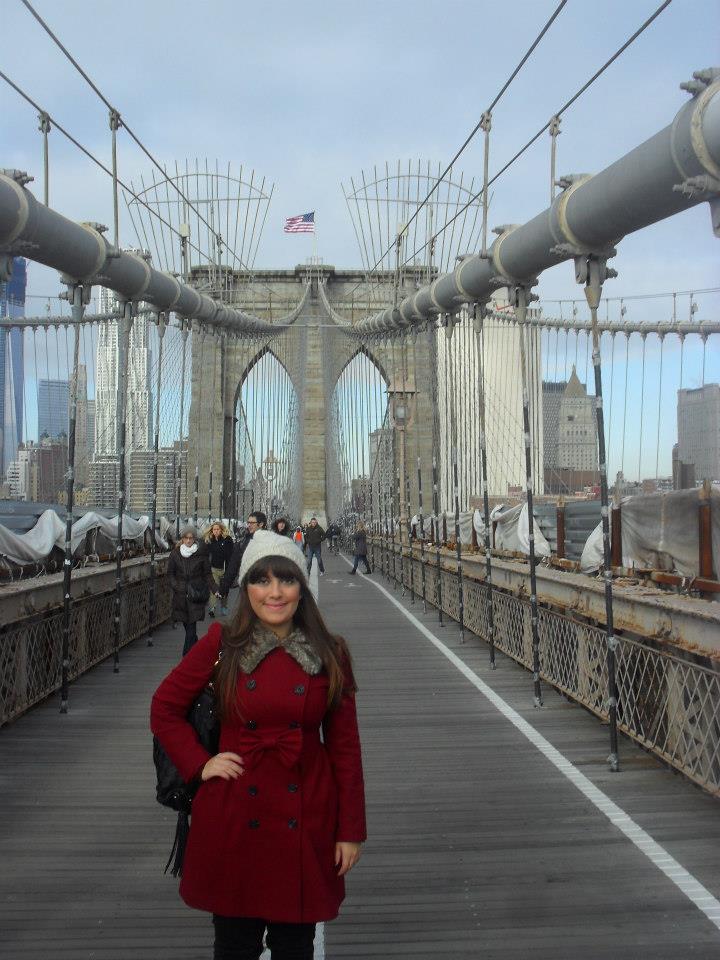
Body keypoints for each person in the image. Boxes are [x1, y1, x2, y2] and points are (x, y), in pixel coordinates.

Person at [151, 530, 366, 960]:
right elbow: (164, 709)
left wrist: (350, 831)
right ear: (245, 585)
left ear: (302, 588)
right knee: (234, 944)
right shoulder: (220, 645)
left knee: (295, 945)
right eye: (261, 580)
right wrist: (201, 764)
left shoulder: (330, 652)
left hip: (304, 812)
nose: (274, 593)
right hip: (234, 810)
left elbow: (345, 750)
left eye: (285, 581)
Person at [167, 525, 216, 655]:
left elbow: (208, 574)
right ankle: (197, 650)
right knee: (187, 626)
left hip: (196, 594)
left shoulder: (201, 554)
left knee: (191, 628)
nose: (188, 541)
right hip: (181, 596)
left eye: (191, 538)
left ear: (195, 539)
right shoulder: (175, 554)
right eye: (185, 538)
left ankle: (186, 657)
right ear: (182, 539)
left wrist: (215, 589)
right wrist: (177, 586)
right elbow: (170, 574)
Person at [218, 511, 267, 600]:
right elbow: (232, 567)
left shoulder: (271, 542)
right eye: (248, 522)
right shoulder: (243, 543)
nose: (249, 525)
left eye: (252, 523)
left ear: (261, 524)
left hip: (266, 590)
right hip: (247, 588)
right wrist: (223, 588)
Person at [204, 521, 234, 617]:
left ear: (221, 530)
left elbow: (231, 555)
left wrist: (230, 570)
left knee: (224, 590)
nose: (216, 531)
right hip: (214, 569)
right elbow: (206, 554)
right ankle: (212, 608)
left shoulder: (227, 540)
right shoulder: (210, 541)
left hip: (225, 568)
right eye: (214, 529)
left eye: (217, 529)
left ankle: (224, 606)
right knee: (214, 589)